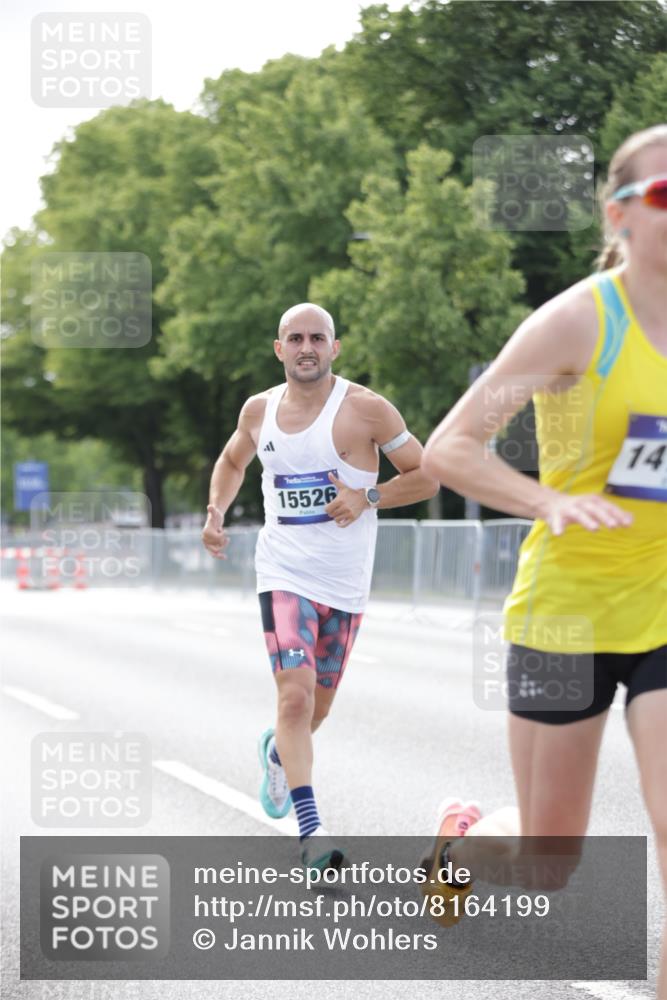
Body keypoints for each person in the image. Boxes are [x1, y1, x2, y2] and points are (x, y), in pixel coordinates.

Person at [421, 125, 667, 995]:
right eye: (665, 194)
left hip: (663, 608)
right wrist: (548, 501)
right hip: (568, 610)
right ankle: (459, 841)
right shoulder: (574, 322)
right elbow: (451, 448)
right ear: (621, 215)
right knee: (546, 861)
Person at [202, 302, 438, 871]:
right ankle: (311, 831)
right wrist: (215, 512)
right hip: (283, 572)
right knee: (295, 694)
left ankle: (279, 753)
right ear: (279, 348)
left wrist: (368, 496)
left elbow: (427, 477)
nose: (306, 347)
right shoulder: (258, 411)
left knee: (317, 710)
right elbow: (233, 461)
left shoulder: (366, 410)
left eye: (318, 337)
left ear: (335, 347)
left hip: (346, 584)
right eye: (295, 338)